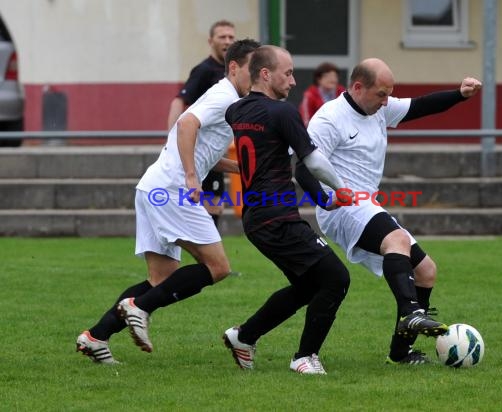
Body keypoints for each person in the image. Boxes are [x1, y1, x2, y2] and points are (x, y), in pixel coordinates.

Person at [76, 39, 261, 364]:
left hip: (153, 187)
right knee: (218, 267)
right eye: (253, 70)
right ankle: (139, 308)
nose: (259, 76)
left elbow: (200, 146)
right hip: (172, 190)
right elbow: (186, 125)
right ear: (234, 68)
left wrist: (235, 167)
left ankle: (96, 336)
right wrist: (192, 177)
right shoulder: (224, 96)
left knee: (160, 279)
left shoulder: (226, 97)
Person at [295, 58, 482, 364]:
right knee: (396, 240)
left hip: (368, 205)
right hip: (340, 208)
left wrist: (459, 94)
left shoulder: (378, 108)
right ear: (357, 87)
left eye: (389, 94)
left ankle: (401, 352)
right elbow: (302, 169)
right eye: (381, 94)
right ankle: (411, 313)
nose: (387, 101)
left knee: (425, 271)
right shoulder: (329, 119)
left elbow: (421, 106)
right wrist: (324, 199)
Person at [221, 45, 353, 375]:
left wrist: (323, 201)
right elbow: (312, 161)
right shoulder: (282, 112)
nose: (293, 81)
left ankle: (244, 336)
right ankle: (305, 357)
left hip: (255, 219)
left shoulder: (236, 111)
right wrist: (339, 188)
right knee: (336, 278)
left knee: (309, 286)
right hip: (277, 219)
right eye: (289, 72)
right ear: (266, 74)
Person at [166, 19, 237, 228]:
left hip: (216, 152)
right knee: (209, 209)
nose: (227, 41)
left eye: (231, 37)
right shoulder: (204, 70)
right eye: (222, 37)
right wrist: (172, 140)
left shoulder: (233, 73)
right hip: (201, 152)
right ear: (210, 41)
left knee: (215, 207)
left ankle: (209, 254)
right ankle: (209, 255)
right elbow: (179, 101)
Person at [298, 62, 345, 127]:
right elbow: (305, 120)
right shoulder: (310, 95)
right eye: (328, 76)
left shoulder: (343, 93)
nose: (332, 79)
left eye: (335, 76)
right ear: (318, 79)